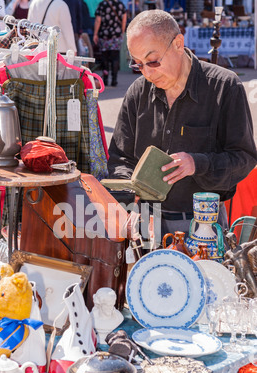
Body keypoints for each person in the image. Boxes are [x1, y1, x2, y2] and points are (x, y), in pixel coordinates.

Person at [107, 10, 257, 239]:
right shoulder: (138, 91)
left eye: (153, 61)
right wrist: (128, 201)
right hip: (147, 222)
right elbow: (120, 158)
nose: (147, 73)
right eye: (138, 64)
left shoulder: (225, 87)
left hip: (203, 223)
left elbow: (244, 158)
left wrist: (197, 163)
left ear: (178, 43)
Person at [93, 0, 127, 86]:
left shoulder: (102, 4)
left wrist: (95, 33)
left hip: (104, 36)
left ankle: (105, 79)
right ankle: (114, 79)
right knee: (115, 57)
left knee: (105, 57)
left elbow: (98, 20)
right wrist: (122, 31)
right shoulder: (120, 5)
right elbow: (124, 19)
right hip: (116, 35)